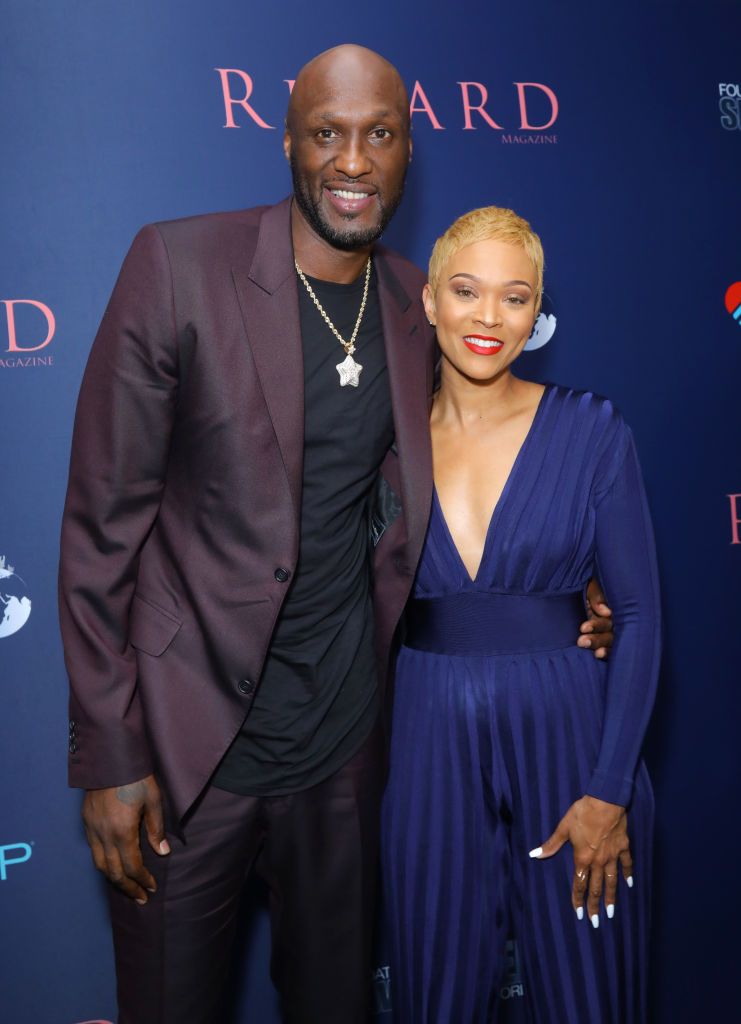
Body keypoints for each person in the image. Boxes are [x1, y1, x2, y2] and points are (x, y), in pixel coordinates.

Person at [59, 46, 615, 1023]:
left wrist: (572, 592)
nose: (352, 160)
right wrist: (110, 752)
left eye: (378, 136)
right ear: (287, 143)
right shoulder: (178, 267)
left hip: (347, 758)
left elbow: (472, 463)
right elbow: (102, 526)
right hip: (191, 759)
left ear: (407, 153)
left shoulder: (419, 307)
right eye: (327, 134)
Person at [381, 207, 660, 1023]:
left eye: (514, 298)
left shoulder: (590, 430)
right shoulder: (380, 445)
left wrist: (608, 792)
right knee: (432, 997)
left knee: (590, 997)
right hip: (423, 730)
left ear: (536, 312)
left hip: (573, 734)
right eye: (466, 292)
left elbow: (638, 613)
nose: (487, 318)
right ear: (429, 300)